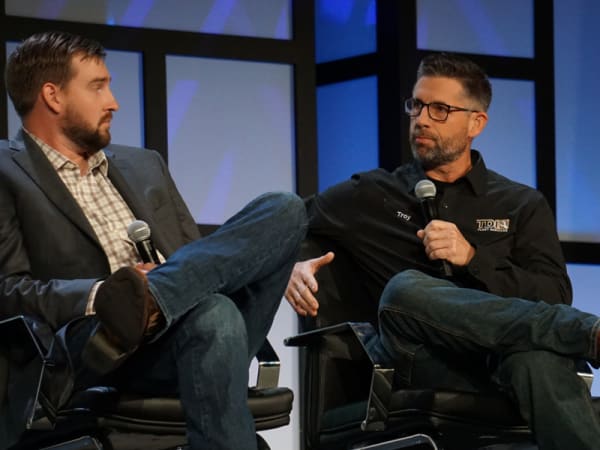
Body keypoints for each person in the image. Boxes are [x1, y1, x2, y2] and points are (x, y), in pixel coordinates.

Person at [0, 30, 307, 450]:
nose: (113, 102)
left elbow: (197, 259)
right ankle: (138, 304)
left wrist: (270, 261)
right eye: (97, 87)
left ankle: (153, 298)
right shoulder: (7, 172)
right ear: (52, 96)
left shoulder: (144, 164)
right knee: (214, 314)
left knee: (285, 208)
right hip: (103, 347)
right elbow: (9, 291)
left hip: (191, 323)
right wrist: (102, 294)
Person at [285, 52, 600, 449]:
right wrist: (289, 264)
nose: (421, 119)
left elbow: (554, 294)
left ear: (476, 123)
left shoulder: (520, 204)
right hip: (418, 360)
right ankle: (589, 335)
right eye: (416, 105)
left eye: (439, 109)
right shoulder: (373, 194)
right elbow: (284, 220)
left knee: (538, 361)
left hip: (498, 361)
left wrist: (473, 258)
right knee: (404, 290)